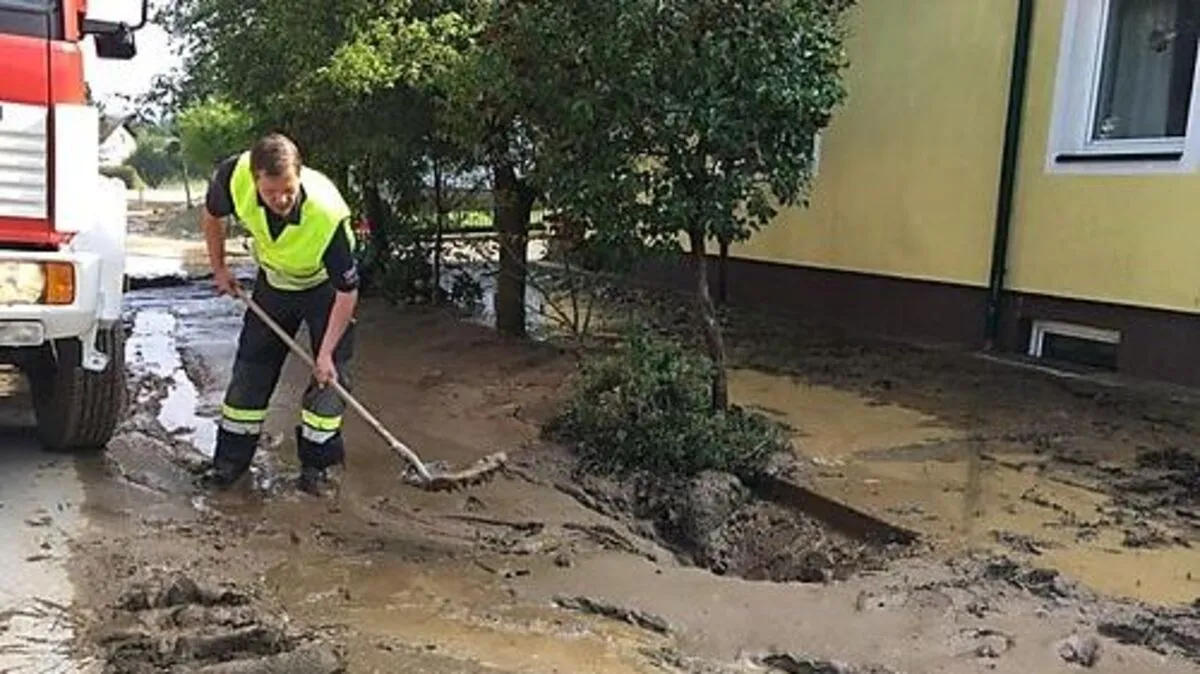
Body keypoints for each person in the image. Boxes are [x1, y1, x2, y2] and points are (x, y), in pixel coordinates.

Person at [199, 132, 360, 496]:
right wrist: (219, 268)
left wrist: (324, 354)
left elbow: (348, 293)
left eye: (288, 189)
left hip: (325, 290)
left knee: (329, 381)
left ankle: (316, 471)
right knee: (251, 371)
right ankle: (229, 465)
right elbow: (212, 217)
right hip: (274, 283)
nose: (281, 199)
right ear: (256, 179)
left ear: (299, 175)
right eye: (270, 192)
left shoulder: (326, 215)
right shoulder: (233, 177)